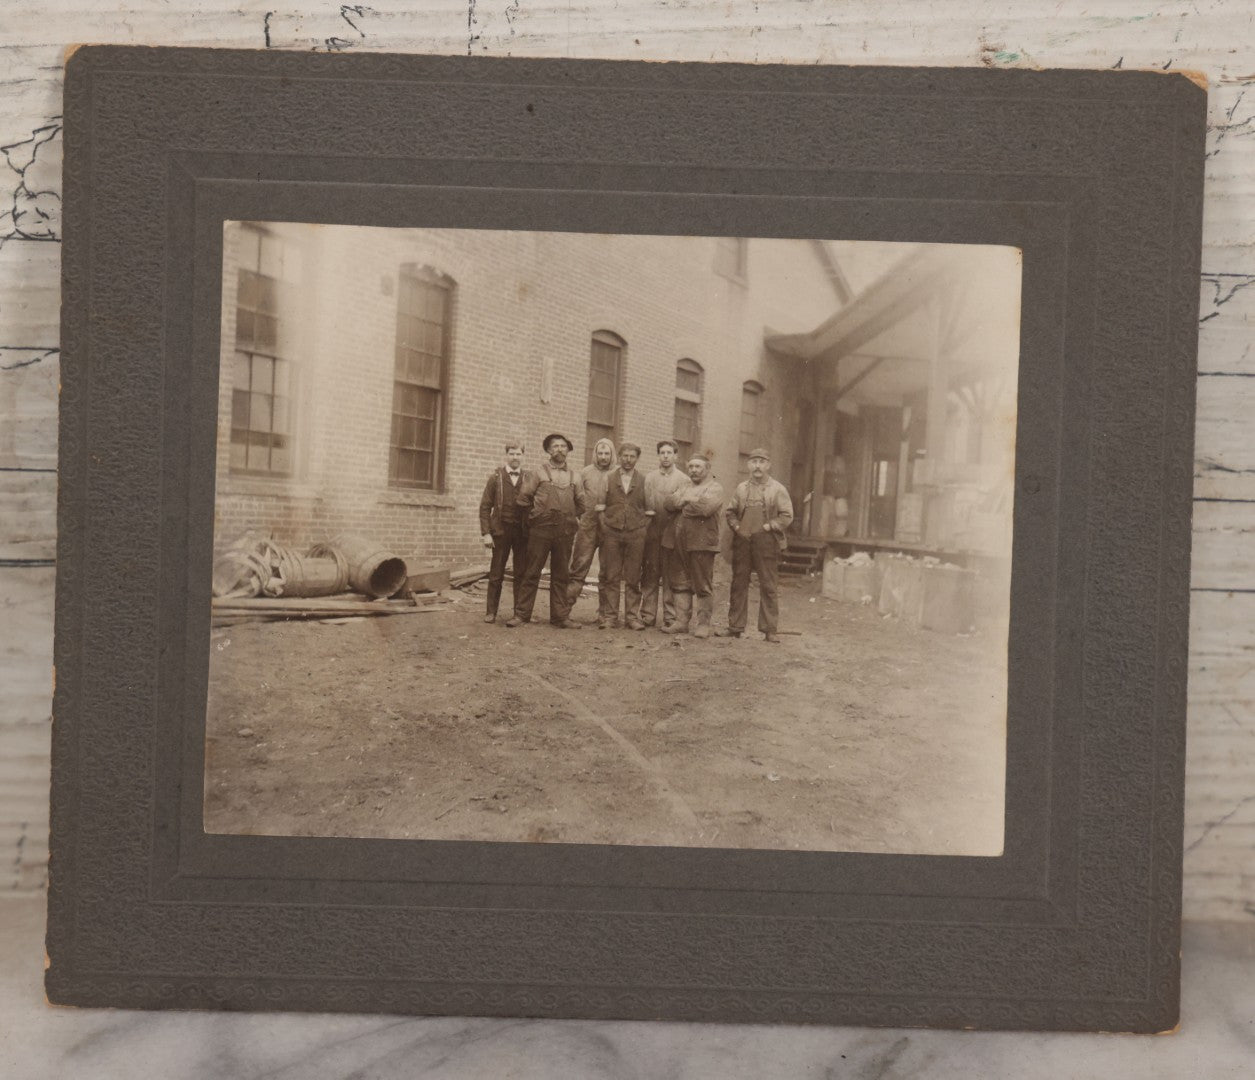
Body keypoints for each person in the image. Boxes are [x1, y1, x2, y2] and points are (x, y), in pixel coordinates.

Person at [506, 434, 586, 629]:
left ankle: (560, 617)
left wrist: (567, 518)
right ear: (549, 450)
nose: (559, 449)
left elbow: (581, 504)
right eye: (555, 446)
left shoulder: (575, 476)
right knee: (531, 572)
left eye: (563, 446)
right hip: (540, 530)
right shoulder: (538, 473)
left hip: (564, 532)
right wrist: (534, 519)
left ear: (568, 450)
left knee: (561, 575)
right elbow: (523, 499)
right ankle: (521, 614)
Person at [719, 447, 794, 643]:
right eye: (754, 462)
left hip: (766, 541)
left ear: (768, 465)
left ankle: (769, 629)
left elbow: (787, 515)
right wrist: (737, 528)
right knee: (738, 583)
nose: (757, 466)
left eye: (762, 462)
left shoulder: (777, 489)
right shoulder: (741, 488)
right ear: (748, 465)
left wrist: (769, 526)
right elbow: (730, 512)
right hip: (743, 540)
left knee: (768, 584)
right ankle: (735, 627)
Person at [662, 454, 725, 638]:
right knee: (680, 582)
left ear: (707, 468)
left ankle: (703, 624)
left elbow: (705, 508)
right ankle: (681, 622)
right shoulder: (685, 485)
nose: (694, 470)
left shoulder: (715, 487)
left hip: (702, 543)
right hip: (679, 542)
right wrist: (688, 499)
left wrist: (683, 503)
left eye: (698, 467)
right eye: (691, 467)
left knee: (703, 585)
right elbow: (668, 503)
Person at [477, 440, 531, 623]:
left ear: (523, 456)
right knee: (496, 573)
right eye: (512, 453)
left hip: (522, 533)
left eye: (518, 454)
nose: (515, 457)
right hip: (500, 531)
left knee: (521, 573)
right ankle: (491, 612)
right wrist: (486, 533)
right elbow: (485, 507)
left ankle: (519, 613)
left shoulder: (529, 479)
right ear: (506, 455)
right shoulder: (496, 478)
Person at [599, 442, 649, 630]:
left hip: (636, 534)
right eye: (625, 456)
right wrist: (607, 527)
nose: (628, 460)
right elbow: (600, 507)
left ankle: (631, 617)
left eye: (632, 456)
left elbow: (650, 509)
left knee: (633, 577)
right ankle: (610, 617)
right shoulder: (608, 478)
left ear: (637, 458)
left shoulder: (644, 480)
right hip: (612, 533)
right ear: (619, 457)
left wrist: (641, 529)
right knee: (611, 576)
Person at [639, 439, 688, 629]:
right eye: (662, 453)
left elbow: (681, 506)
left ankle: (670, 616)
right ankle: (648, 614)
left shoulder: (683, 479)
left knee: (670, 575)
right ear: (658, 456)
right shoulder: (650, 478)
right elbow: (646, 504)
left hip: (673, 533)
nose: (666, 456)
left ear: (675, 456)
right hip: (653, 531)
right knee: (650, 574)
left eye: (669, 453)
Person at [567, 437, 616, 623]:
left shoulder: (618, 473)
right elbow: (575, 498)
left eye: (607, 453)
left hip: (610, 529)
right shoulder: (585, 472)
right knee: (579, 567)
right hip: (587, 526)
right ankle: (563, 611)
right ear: (595, 454)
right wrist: (578, 517)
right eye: (600, 453)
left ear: (612, 454)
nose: (603, 457)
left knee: (608, 571)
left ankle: (605, 615)